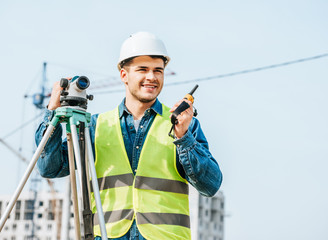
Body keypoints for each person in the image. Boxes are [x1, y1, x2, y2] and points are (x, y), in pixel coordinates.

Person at [35, 32, 222, 240]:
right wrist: (52, 111)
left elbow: (210, 185)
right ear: (124, 75)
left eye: (158, 71)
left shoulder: (185, 126)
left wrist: (184, 138)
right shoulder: (94, 127)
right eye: (142, 70)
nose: (151, 77)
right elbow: (49, 168)